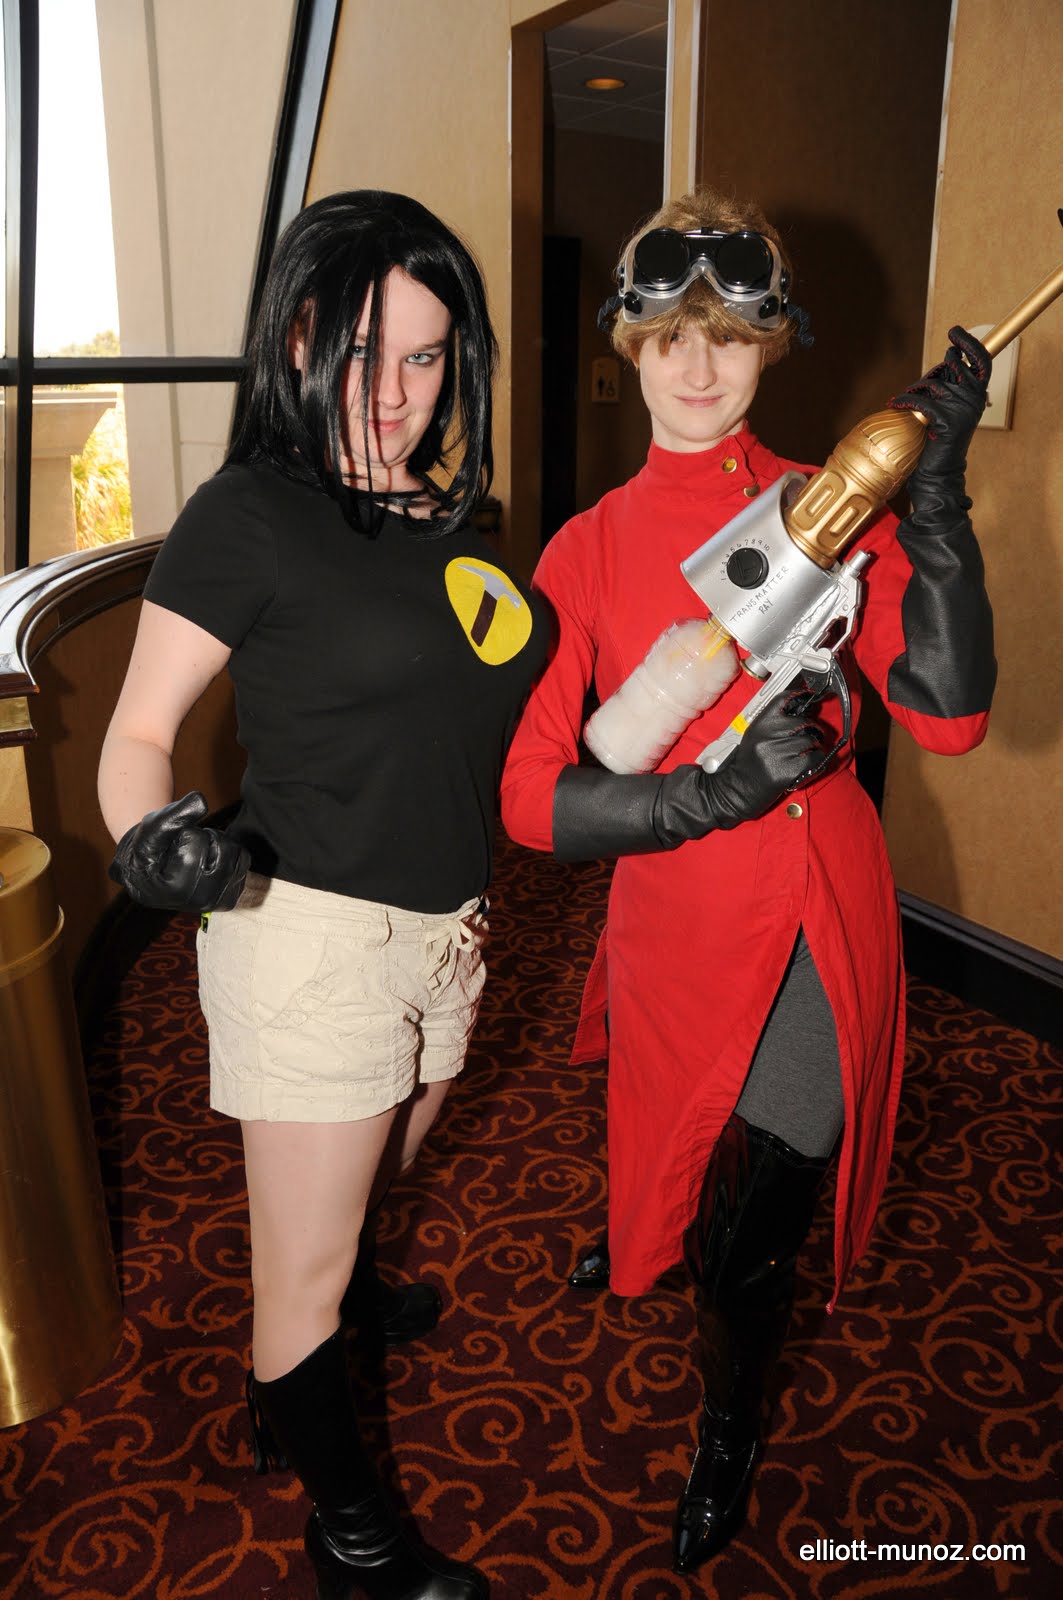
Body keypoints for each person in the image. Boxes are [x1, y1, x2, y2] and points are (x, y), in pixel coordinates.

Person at [499, 186, 995, 1575]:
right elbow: (531, 797)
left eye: (728, 333)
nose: (699, 364)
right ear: (631, 345)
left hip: (822, 912)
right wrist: (704, 796)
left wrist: (936, 507)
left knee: (749, 1229)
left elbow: (951, 718)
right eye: (671, 334)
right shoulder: (587, 547)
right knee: (670, 1135)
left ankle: (729, 1420)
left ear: (771, 345)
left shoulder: (829, 508)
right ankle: (641, 1232)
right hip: (674, 915)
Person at [99, 190, 548, 1600]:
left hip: (446, 932)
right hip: (306, 936)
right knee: (301, 1268)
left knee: (367, 1192)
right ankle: (354, 1538)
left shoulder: (453, 519)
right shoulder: (249, 514)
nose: (393, 396)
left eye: (424, 358)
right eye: (361, 356)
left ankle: (324, 1319)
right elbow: (136, 734)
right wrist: (151, 840)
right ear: (296, 341)